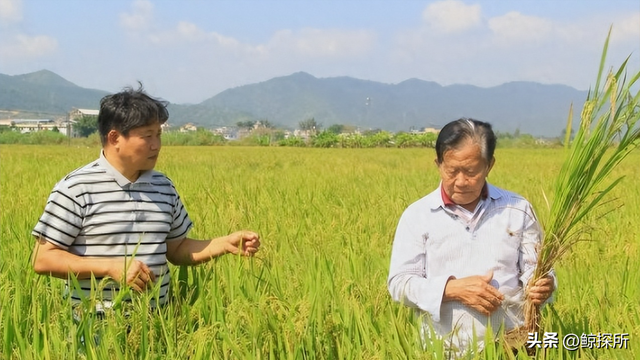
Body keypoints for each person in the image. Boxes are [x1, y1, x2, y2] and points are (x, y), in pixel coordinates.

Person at [31, 85, 261, 315]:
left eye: (159, 135)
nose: (156, 145)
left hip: (156, 325)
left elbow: (177, 249)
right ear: (114, 138)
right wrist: (111, 268)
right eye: (147, 136)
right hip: (95, 328)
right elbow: (43, 259)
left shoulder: (163, 187)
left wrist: (225, 244)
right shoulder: (76, 188)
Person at [387, 118, 555, 356]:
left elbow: (535, 270)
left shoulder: (517, 208)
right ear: (438, 164)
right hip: (443, 350)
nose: (461, 181)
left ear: (489, 165)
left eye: (471, 171)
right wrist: (452, 289)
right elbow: (399, 284)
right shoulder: (417, 216)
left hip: (512, 346)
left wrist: (543, 286)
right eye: (452, 170)